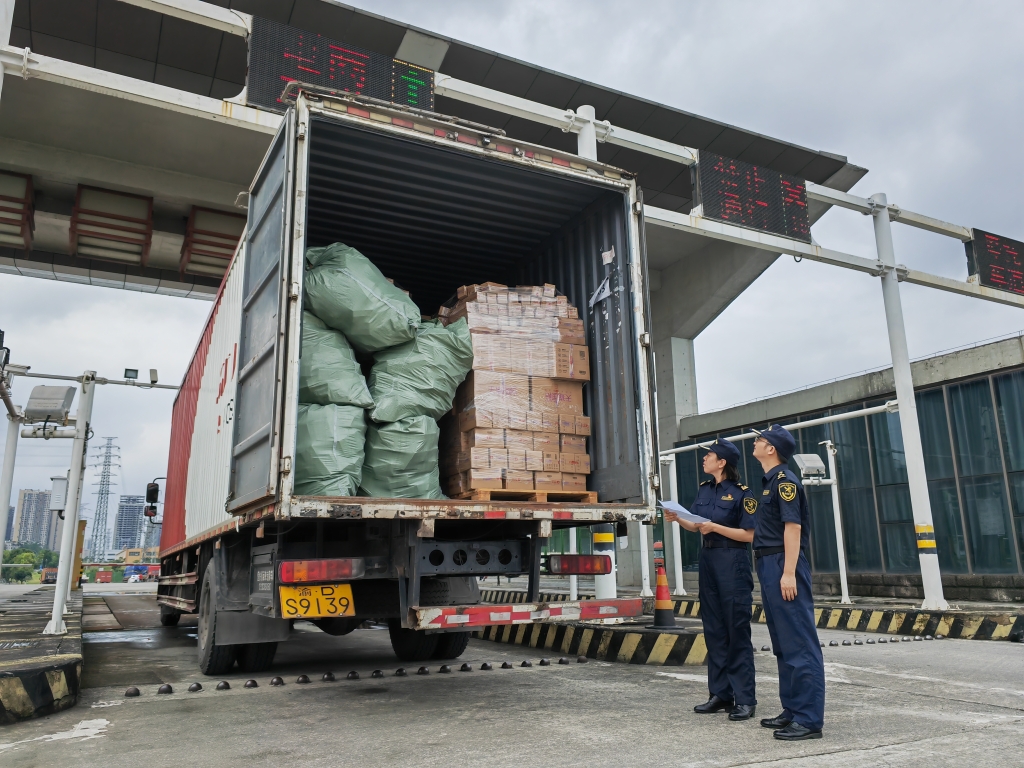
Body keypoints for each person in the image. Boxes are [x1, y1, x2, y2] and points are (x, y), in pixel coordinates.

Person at [664, 438, 758, 721]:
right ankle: (720, 694)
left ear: (723, 463)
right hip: (709, 561)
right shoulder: (705, 489)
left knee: (736, 629)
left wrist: (716, 526)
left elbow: (750, 535)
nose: (704, 460)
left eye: (710, 456)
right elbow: (697, 524)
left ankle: (744, 699)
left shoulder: (743, 494)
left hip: (733, 561)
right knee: (714, 629)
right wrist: (677, 517)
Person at [751, 424, 826, 741]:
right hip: (768, 562)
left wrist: (788, 572)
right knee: (783, 643)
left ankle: (809, 719)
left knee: (799, 641)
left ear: (771, 449)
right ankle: (793, 709)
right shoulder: (769, 482)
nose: (755, 442)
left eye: (760, 439)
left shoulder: (786, 482)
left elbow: (792, 529)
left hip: (784, 562)